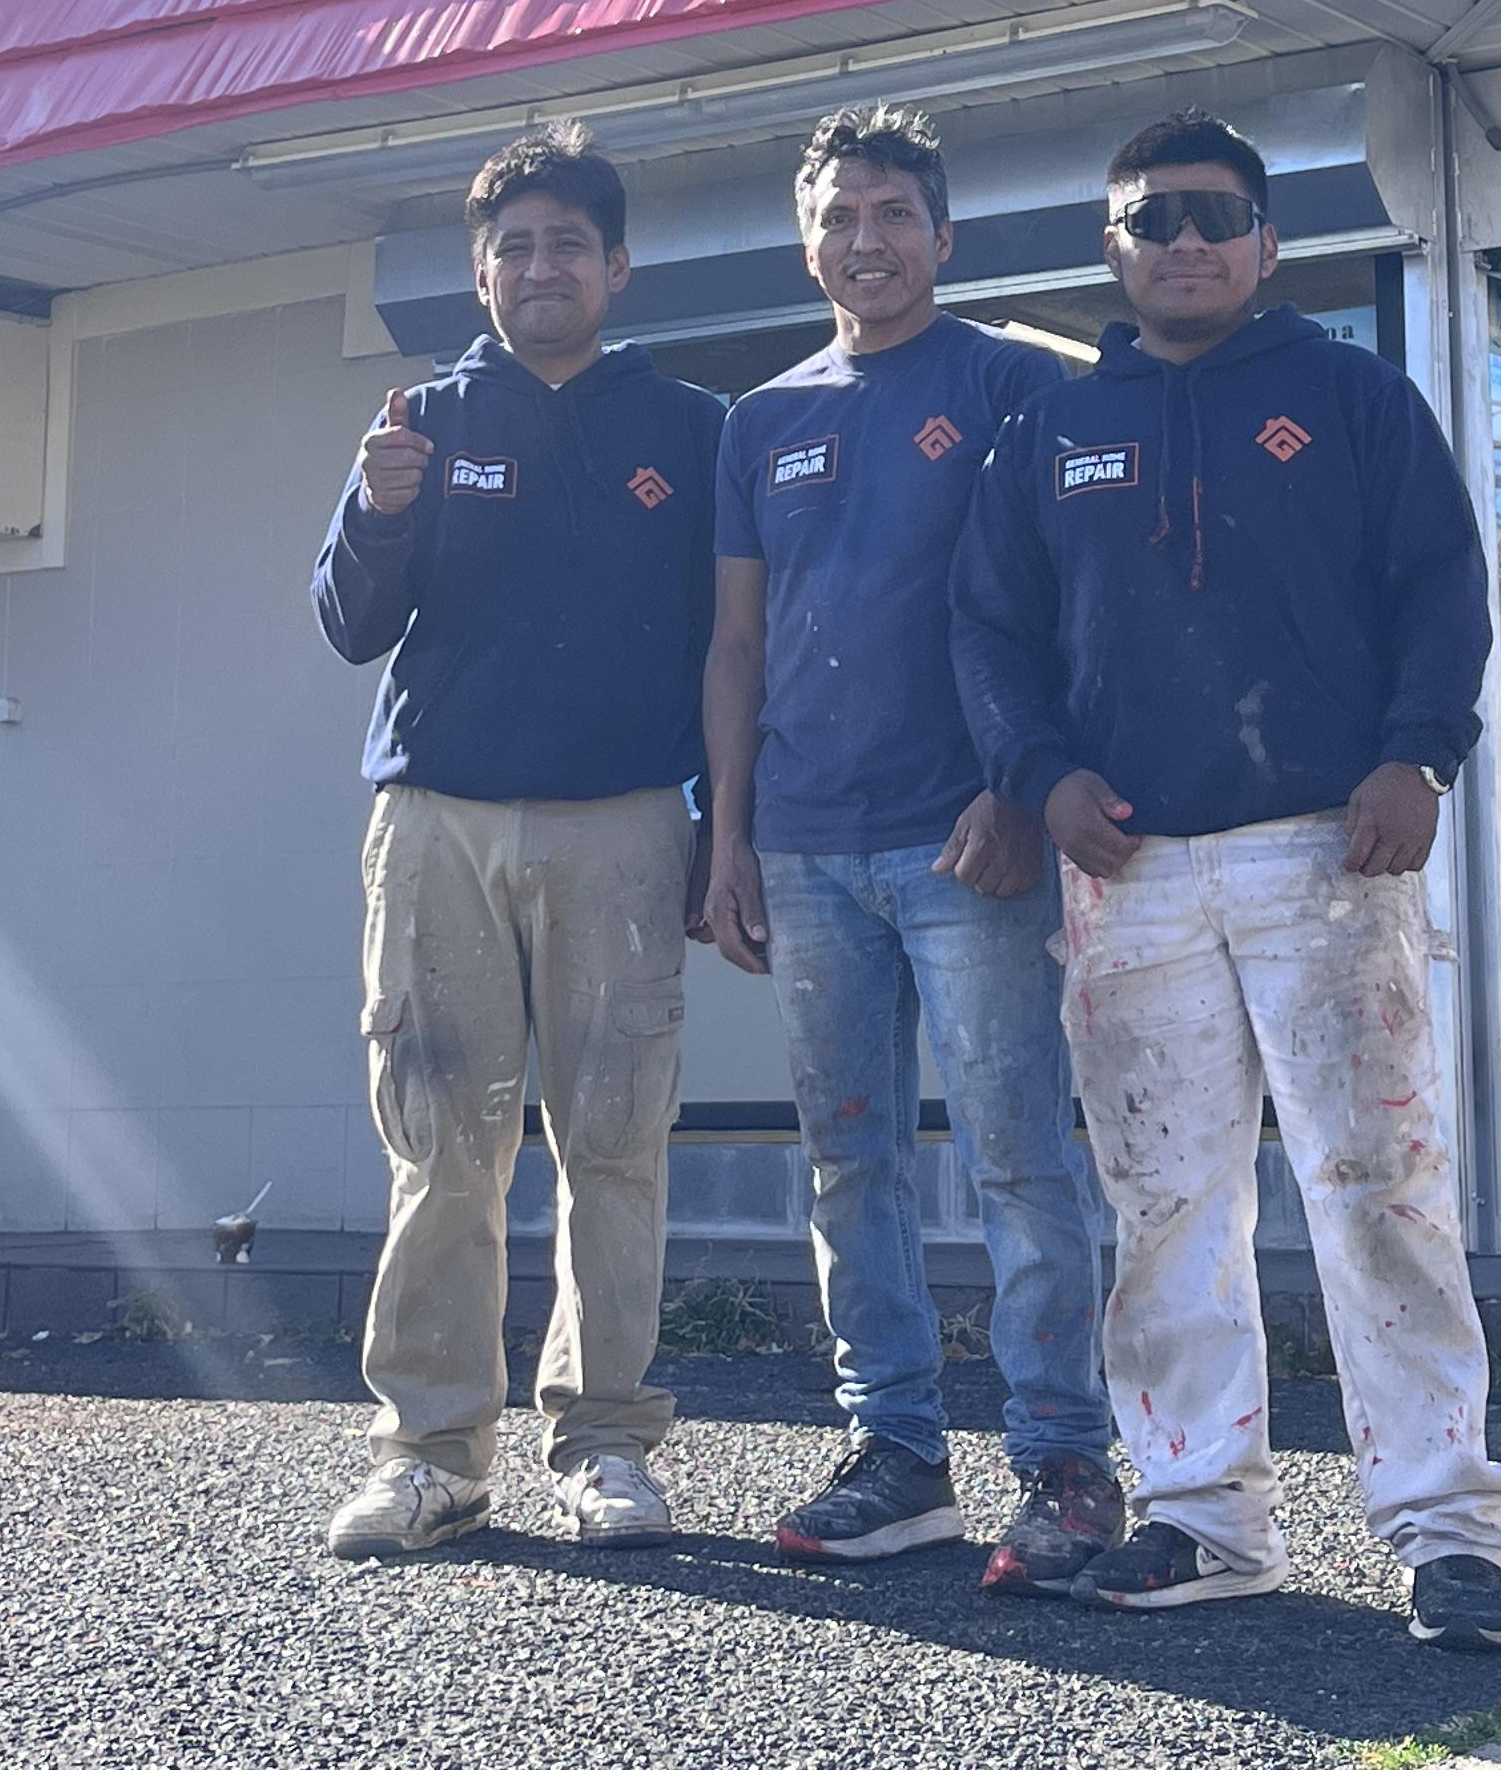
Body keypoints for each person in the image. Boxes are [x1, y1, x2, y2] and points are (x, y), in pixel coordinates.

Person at [951, 111, 1501, 1650]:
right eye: (1155, 218)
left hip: (1323, 853)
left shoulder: (1349, 397)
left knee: (1381, 1191)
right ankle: (1201, 1515)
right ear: (1114, 249)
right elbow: (988, 632)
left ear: (1267, 246)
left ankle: (1448, 1529)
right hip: (1126, 867)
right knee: (1163, 1205)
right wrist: (1040, 773)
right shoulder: (1053, 428)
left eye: (1216, 215)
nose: (1186, 239)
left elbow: (1441, 586)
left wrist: (1419, 753)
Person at [698, 105, 1123, 1594]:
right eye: (839, 217)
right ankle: (896, 1450)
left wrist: (1024, 784)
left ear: (943, 236)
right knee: (848, 1163)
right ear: (806, 241)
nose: (865, 242)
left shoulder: (1013, 383)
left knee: (1018, 1159)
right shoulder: (760, 420)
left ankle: (1067, 1457)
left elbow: (1067, 601)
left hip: (969, 844)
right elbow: (737, 644)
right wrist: (727, 831)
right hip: (807, 847)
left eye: (894, 214)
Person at [312, 128, 723, 1559]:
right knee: (442, 1144)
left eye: (569, 244)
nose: (541, 267)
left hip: (624, 824)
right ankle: (431, 1451)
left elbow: (732, 653)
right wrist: (380, 509)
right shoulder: (421, 421)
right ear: (479, 272)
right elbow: (350, 625)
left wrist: (722, 829)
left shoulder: (691, 432)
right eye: (514, 246)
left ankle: (605, 1442)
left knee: (615, 1141)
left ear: (617, 267)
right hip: (438, 821)